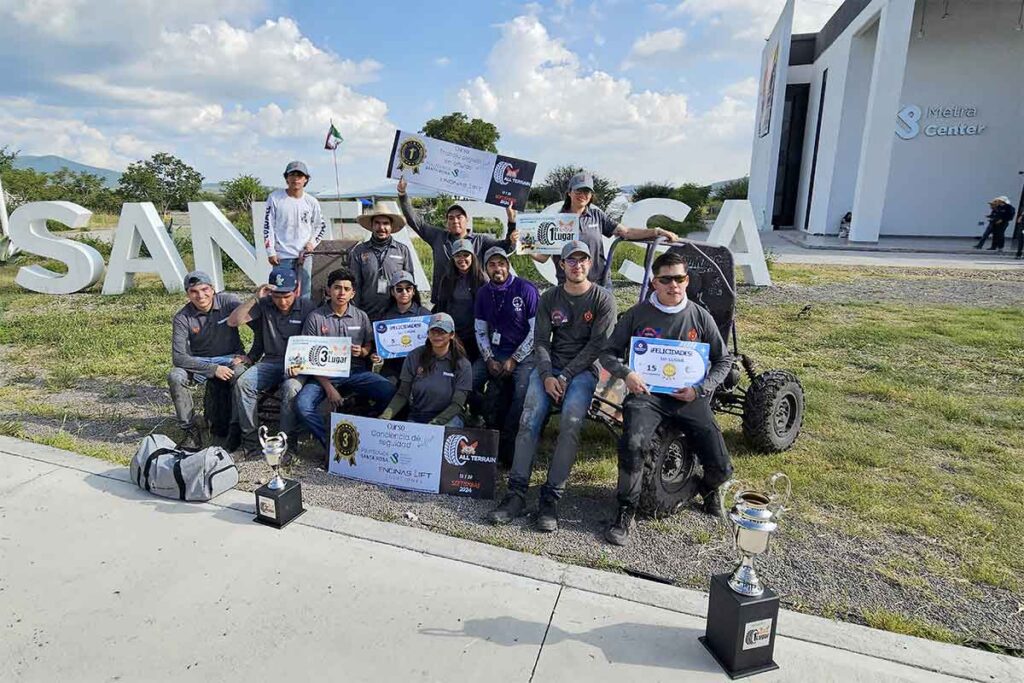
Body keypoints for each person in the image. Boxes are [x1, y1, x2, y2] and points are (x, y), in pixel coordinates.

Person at [600, 250, 733, 546]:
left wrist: (700, 389)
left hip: (688, 396)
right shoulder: (637, 315)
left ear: (687, 280)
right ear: (654, 283)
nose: (674, 285)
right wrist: (627, 374)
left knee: (723, 465)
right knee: (633, 443)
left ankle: (709, 488)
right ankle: (625, 510)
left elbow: (724, 361)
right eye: (666, 279)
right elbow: (607, 353)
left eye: (680, 278)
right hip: (647, 395)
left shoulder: (700, 316)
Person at [488, 241, 616, 532]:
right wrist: (546, 375)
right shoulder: (550, 297)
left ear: (590, 264)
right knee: (529, 418)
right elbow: (542, 341)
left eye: (583, 260)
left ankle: (550, 498)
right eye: (571, 260)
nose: (577, 265)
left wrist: (565, 376)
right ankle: (516, 492)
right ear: (562, 265)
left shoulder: (603, 299)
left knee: (571, 421)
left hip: (583, 371)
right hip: (549, 369)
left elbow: (597, 345)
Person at [294, 268, 397, 449]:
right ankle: (331, 444)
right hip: (323, 376)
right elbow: (307, 360)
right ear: (328, 290)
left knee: (389, 391)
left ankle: (368, 428)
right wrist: (329, 388)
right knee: (303, 405)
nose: (341, 293)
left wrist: (363, 352)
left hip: (355, 372)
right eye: (337, 287)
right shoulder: (315, 318)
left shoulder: (361, 316)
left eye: (346, 289)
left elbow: (368, 346)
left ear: (353, 293)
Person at [532, 172, 679, 289]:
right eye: (578, 190)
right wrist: (524, 243)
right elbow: (542, 257)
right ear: (569, 192)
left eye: (587, 191)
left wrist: (656, 231)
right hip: (569, 286)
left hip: (600, 283)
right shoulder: (556, 222)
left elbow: (626, 232)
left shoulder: (597, 215)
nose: (583, 195)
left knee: (605, 325)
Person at [227, 265, 315, 458]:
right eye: (277, 296)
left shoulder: (308, 307)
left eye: (287, 296)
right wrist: (256, 297)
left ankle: (287, 443)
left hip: (298, 365)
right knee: (244, 383)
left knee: (291, 388)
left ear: (296, 290)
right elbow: (233, 321)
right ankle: (251, 441)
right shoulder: (264, 304)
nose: (282, 301)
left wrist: (302, 366)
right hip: (271, 361)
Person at [168, 271, 250, 449]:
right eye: (194, 292)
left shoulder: (229, 302)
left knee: (240, 375)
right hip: (200, 362)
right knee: (176, 376)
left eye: (205, 289)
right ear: (187, 294)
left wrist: (251, 356)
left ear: (213, 289)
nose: (200, 296)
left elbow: (259, 325)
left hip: (230, 358)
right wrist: (212, 369)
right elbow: (179, 357)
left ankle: (235, 430)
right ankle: (190, 430)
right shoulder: (182, 317)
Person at [396, 175, 517, 295]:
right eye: (451, 218)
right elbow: (416, 222)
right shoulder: (438, 237)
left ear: (467, 220)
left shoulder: (480, 241)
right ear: (446, 222)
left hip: (474, 300)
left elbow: (506, 247)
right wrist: (402, 195)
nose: (455, 221)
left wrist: (511, 222)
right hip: (443, 299)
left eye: (459, 217)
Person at [474, 247, 539, 463]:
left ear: (508, 266)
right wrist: (488, 358)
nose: (497, 268)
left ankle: (510, 447)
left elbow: (535, 331)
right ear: (486, 269)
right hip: (496, 352)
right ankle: (481, 426)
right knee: (468, 380)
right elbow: (480, 330)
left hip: (525, 355)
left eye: (501, 263)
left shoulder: (526, 288)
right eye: (492, 265)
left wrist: (515, 359)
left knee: (521, 395)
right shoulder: (483, 293)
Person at [379, 313, 472, 427]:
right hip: (418, 416)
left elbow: (457, 404)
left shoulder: (463, 364)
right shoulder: (414, 356)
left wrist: (434, 424)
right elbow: (403, 394)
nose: (437, 335)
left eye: (442, 332)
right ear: (428, 333)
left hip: (449, 418)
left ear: (451, 334)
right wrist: (385, 417)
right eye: (433, 331)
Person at [262, 160, 327, 298]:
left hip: (304, 256)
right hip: (281, 256)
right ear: (286, 178)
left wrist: (312, 243)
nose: (296, 179)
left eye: (300, 175)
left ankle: (303, 319)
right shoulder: (275, 198)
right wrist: (270, 251)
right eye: (292, 175)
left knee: (304, 294)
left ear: (306, 179)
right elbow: (268, 226)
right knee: (281, 293)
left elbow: (320, 226)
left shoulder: (311, 201)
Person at [349, 202, 414, 319]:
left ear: (391, 226)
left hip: (395, 313)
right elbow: (355, 285)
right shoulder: (359, 251)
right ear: (372, 226)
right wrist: (355, 314)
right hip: (367, 313)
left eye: (386, 223)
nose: (381, 228)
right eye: (377, 223)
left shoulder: (402, 250)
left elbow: (410, 284)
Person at [430, 238, 487, 362]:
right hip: (453, 336)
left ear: (472, 256)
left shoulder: (482, 280)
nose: (462, 259)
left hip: (475, 337)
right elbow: (441, 307)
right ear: (453, 258)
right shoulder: (446, 280)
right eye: (458, 256)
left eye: (466, 255)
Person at [372, 270, 432, 382]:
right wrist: (376, 354)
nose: (404, 292)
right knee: (386, 390)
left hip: (419, 365)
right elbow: (377, 347)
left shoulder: (425, 315)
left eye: (408, 288)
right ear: (392, 292)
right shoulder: (384, 316)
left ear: (413, 291)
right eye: (399, 289)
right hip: (392, 367)